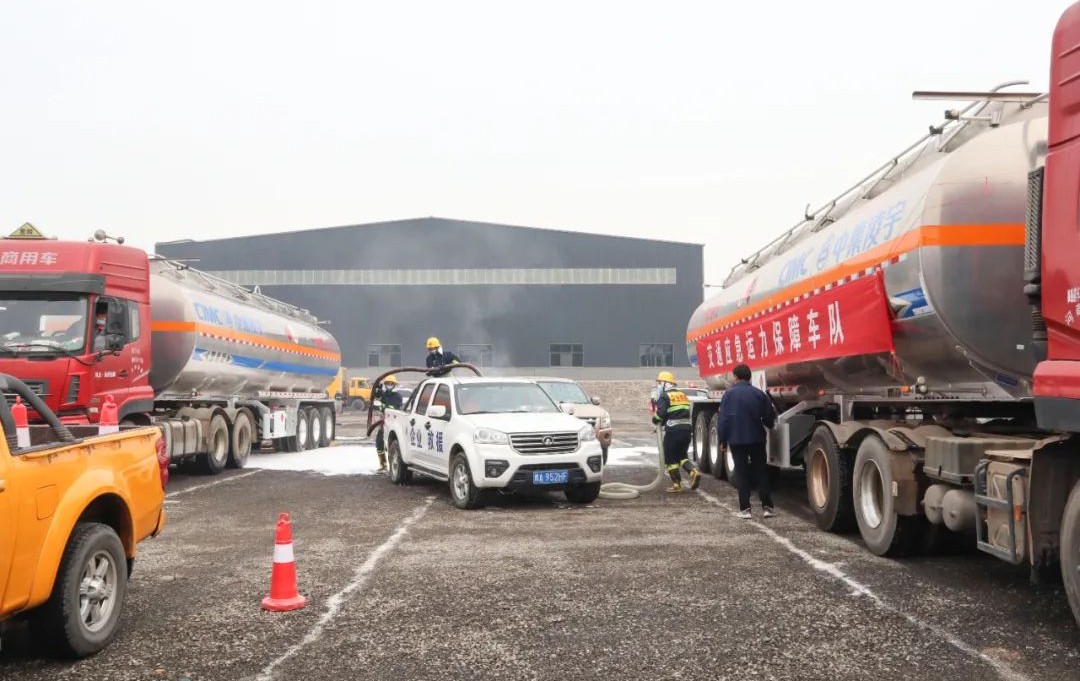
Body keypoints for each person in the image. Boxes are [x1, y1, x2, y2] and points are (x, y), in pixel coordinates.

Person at [717, 363, 777, 519]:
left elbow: (723, 420)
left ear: (735, 377)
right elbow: (769, 415)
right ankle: (767, 507)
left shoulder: (728, 395)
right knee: (761, 471)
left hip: (736, 440)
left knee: (741, 473)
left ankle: (745, 509)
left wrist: (723, 440)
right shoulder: (758, 394)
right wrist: (769, 425)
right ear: (750, 377)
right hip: (757, 438)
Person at [651, 370, 702, 493]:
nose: (659, 385)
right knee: (682, 456)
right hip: (686, 430)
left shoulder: (664, 396)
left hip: (673, 432)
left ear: (665, 383)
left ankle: (677, 484)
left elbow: (661, 414)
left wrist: (655, 420)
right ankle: (693, 472)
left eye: (660, 383)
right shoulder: (682, 394)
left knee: (670, 458)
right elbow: (677, 412)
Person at [372, 374, 403, 472]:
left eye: (391, 383)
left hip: (394, 424)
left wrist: (383, 407)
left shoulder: (398, 396)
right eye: (387, 383)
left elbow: (394, 408)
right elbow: (376, 403)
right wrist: (377, 394)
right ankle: (383, 464)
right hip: (383, 422)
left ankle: (394, 465)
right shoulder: (383, 395)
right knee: (379, 442)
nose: (389, 385)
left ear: (395, 385)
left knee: (392, 444)